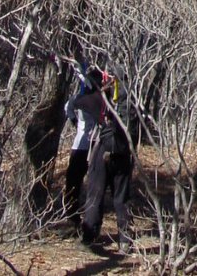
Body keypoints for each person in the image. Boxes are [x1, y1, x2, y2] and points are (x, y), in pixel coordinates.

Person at [73, 67, 133, 254]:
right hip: (124, 152)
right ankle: (125, 240)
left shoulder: (101, 99)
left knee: (95, 194)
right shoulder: (131, 101)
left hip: (104, 149)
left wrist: (93, 90)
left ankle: (90, 236)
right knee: (121, 198)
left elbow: (78, 102)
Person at [63, 61, 99, 228]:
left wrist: (74, 121)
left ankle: (78, 217)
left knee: (76, 181)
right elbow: (67, 108)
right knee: (77, 181)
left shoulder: (88, 96)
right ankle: (74, 217)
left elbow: (67, 108)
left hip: (84, 146)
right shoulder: (90, 96)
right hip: (88, 145)